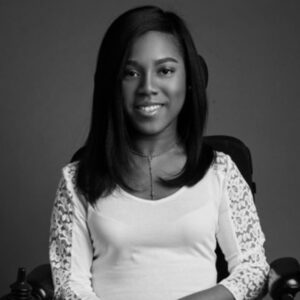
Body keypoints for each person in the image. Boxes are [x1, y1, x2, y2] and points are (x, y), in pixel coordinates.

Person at [49, 5, 269, 300]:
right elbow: (69, 285)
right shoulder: (77, 180)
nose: (148, 87)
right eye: (131, 72)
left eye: (165, 70)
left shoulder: (221, 171)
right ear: (112, 83)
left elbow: (253, 269)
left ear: (188, 80)